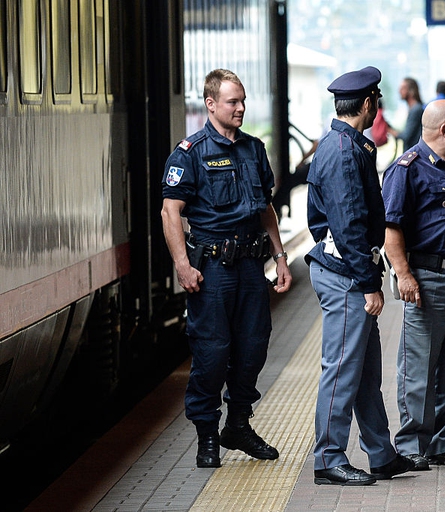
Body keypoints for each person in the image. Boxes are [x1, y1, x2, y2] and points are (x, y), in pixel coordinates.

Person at [160, 68, 293, 469]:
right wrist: (182, 265)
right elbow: (170, 211)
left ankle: (237, 425)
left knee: (253, 348)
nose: (241, 108)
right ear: (211, 104)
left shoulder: (254, 149)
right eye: (233, 101)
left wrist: (280, 258)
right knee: (213, 353)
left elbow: (265, 208)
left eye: (243, 100)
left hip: (250, 267)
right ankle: (207, 436)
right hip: (212, 270)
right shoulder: (190, 152)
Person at [305, 66, 414, 486]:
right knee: (341, 370)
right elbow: (349, 224)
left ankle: (381, 455)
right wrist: (369, 284)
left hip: (345, 270)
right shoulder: (344, 152)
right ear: (368, 104)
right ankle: (328, 458)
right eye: (377, 102)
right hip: (347, 276)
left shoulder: (343, 144)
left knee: (365, 372)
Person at [382, 99, 445, 470]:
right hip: (427, 281)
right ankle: (411, 445)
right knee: (418, 368)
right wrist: (404, 274)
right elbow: (391, 229)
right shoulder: (406, 170)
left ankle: (441, 442)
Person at [389, 77, 423, 150]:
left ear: (411, 91)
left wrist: (390, 131)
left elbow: (406, 136)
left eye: (403, 88)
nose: (399, 91)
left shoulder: (416, 110)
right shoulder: (414, 109)